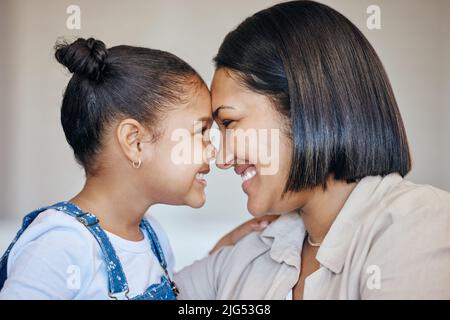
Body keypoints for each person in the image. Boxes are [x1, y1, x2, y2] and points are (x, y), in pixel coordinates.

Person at [174, 0, 450, 299]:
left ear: (305, 108)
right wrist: (221, 254)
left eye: (229, 121)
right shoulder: (250, 251)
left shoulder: (418, 223)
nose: (223, 158)